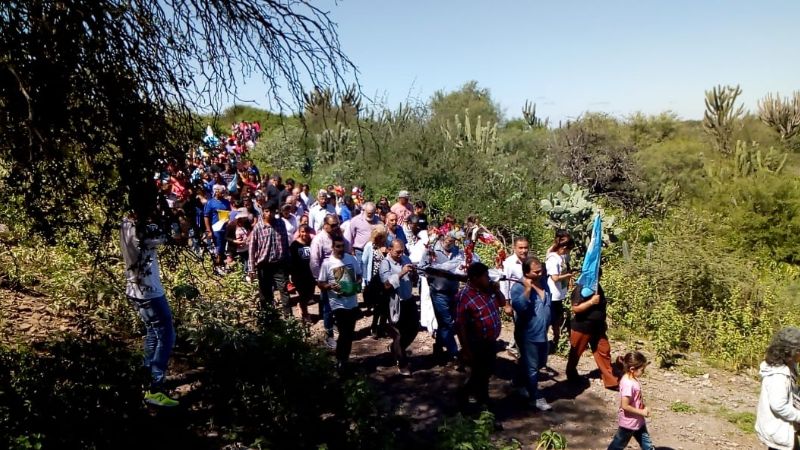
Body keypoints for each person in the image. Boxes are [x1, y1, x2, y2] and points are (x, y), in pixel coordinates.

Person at [120, 211, 178, 407]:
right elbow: (169, 235)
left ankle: (146, 380)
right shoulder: (143, 230)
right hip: (149, 291)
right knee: (167, 336)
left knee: (153, 333)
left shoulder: (125, 224)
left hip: (134, 289)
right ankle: (155, 387)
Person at [455, 262, 513, 408]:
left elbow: (501, 303)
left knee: (485, 372)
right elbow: (460, 325)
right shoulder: (464, 297)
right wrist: (466, 349)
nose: (488, 279)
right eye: (485, 276)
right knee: (479, 373)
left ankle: (477, 398)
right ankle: (477, 402)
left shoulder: (488, 290)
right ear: (475, 278)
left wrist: (497, 290)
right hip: (476, 342)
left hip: (490, 341)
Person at [510, 257, 553, 411]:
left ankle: (518, 381)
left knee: (541, 362)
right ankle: (535, 397)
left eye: (541, 269)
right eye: (536, 271)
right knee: (533, 367)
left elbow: (548, 305)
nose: (541, 273)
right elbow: (519, 307)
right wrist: (527, 290)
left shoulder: (544, 284)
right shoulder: (518, 287)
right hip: (528, 334)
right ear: (526, 272)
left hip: (543, 332)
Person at [317, 234, 362, 374]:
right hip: (337, 304)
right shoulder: (328, 263)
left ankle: (345, 360)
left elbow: (359, 275)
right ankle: (340, 360)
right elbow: (321, 283)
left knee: (349, 334)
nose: (341, 249)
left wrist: (357, 284)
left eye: (343, 246)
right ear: (333, 247)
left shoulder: (351, 259)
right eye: (338, 246)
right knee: (344, 333)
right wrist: (330, 287)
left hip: (352, 301)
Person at [566, 280, 618, 389]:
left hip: (598, 328)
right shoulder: (580, 288)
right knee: (575, 353)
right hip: (582, 327)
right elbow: (575, 308)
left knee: (604, 351)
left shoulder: (597, 287)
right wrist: (591, 302)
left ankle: (611, 381)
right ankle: (571, 375)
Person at [755, 327, 800, 450]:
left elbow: (791, 389)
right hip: (779, 430)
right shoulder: (778, 376)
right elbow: (779, 406)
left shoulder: (789, 365)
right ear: (791, 352)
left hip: (784, 429)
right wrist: (798, 416)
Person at [310, 214, 349, 349]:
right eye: (333, 225)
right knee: (327, 307)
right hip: (326, 276)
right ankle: (329, 335)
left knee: (341, 304)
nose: (335, 227)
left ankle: (338, 327)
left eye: (337, 224)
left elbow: (347, 248)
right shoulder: (318, 239)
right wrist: (318, 280)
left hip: (341, 273)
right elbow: (314, 261)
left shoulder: (338, 236)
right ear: (325, 225)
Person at [380, 240, 417, 376]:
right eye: (397, 252)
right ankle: (402, 363)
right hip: (394, 303)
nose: (401, 254)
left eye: (402, 251)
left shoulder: (405, 258)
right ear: (389, 250)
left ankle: (396, 348)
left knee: (413, 328)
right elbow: (386, 284)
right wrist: (402, 273)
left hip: (408, 299)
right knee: (398, 334)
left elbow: (413, 279)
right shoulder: (386, 263)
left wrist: (413, 273)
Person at [427, 232, 464, 364]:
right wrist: (435, 273)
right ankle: (454, 354)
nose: (450, 243)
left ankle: (438, 348)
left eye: (453, 241)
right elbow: (422, 268)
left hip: (453, 291)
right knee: (447, 322)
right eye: (448, 240)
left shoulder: (457, 251)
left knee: (446, 323)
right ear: (442, 239)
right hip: (438, 291)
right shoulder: (431, 250)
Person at [248, 204, 292, 316]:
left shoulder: (281, 224)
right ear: (263, 212)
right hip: (264, 265)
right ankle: (268, 317)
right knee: (265, 291)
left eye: (271, 211)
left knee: (284, 290)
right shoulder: (258, 227)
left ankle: (288, 317)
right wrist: (251, 268)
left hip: (279, 263)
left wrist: (288, 260)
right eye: (266, 211)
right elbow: (252, 248)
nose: (269, 214)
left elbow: (285, 243)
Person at [607, 351, 654, 450]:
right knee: (618, 445)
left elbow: (636, 399)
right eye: (642, 370)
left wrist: (643, 407)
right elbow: (625, 405)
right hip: (629, 423)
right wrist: (641, 411)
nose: (644, 372)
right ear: (632, 369)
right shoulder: (628, 384)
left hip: (638, 420)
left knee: (647, 444)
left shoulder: (632, 379)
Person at [545, 234, 575, 352]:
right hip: (553, 294)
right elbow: (555, 278)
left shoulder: (561, 257)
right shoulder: (553, 259)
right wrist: (568, 275)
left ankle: (556, 341)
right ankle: (546, 343)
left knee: (557, 319)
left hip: (559, 294)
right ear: (563, 248)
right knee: (551, 319)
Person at [501, 237, 529, 359]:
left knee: (524, 325)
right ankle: (520, 353)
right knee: (520, 326)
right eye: (520, 248)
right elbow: (504, 283)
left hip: (528, 298)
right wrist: (506, 304)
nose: (524, 250)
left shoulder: (529, 261)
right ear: (514, 248)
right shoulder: (508, 263)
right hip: (516, 300)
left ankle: (514, 347)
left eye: (526, 247)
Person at [362, 224, 390, 337]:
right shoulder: (370, 246)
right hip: (374, 279)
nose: (380, 239)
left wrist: (386, 253)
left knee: (386, 305)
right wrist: (365, 280)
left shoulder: (387, 245)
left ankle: (382, 327)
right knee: (378, 305)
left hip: (385, 278)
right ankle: (374, 326)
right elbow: (364, 261)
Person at [289, 224, 315, 322]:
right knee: (303, 294)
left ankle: (301, 305)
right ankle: (305, 314)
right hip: (299, 274)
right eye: (302, 231)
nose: (304, 234)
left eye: (306, 231)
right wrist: (291, 274)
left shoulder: (312, 243)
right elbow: (291, 260)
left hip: (310, 273)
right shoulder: (294, 245)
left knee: (310, 294)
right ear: (299, 232)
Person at [203, 184, 231, 268]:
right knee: (217, 247)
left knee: (223, 246)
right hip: (216, 228)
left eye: (223, 192)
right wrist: (208, 230)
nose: (222, 194)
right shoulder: (210, 203)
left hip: (225, 227)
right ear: (216, 192)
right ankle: (217, 265)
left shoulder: (226, 202)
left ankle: (222, 264)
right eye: (221, 192)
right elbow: (206, 217)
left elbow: (229, 213)